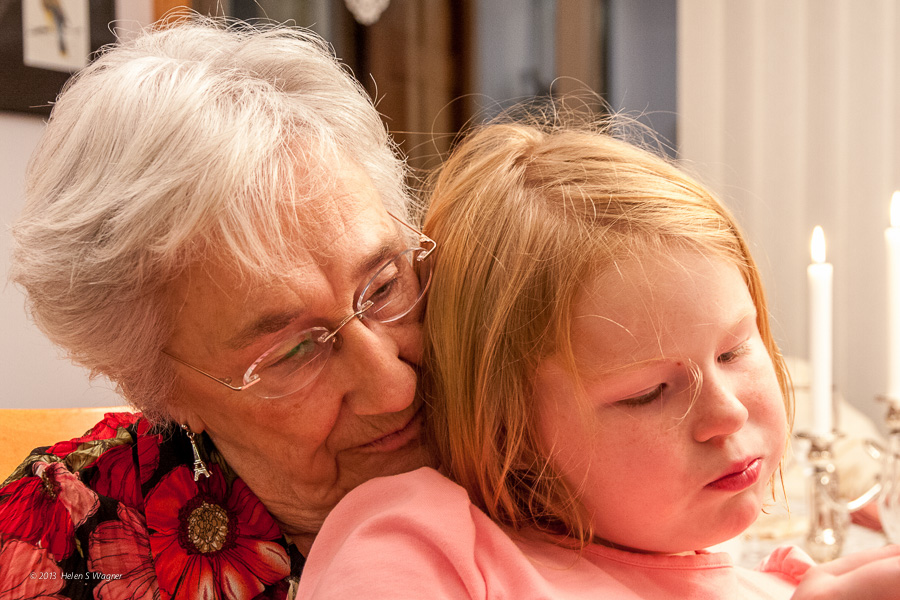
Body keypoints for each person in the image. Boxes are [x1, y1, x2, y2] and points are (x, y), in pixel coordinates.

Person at [295, 119, 900, 599]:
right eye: (647, 392)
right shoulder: (422, 543)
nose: (727, 413)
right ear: (514, 437)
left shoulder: (780, 584)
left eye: (735, 349)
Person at [0, 16, 434, 600]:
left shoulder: (547, 432)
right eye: (294, 351)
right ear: (160, 386)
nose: (395, 389)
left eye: (382, 288)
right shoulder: (60, 543)